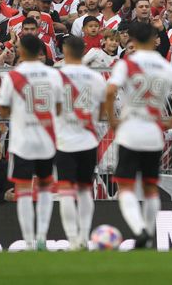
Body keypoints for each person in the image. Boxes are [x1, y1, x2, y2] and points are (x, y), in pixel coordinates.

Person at [105, 22, 172, 248]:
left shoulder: (127, 64)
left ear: (132, 40)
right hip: (153, 132)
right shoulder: (163, 65)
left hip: (130, 131)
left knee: (126, 186)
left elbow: (110, 92)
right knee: (150, 187)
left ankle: (140, 229)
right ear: (153, 40)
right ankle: (149, 236)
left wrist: (112, 119)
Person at [0, 34, 64, 251]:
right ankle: (42, 236)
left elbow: (3, 111)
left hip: (23, 141)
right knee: (45, 189)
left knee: (23, 190)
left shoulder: (13, 76)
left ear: (23, 51)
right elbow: (61, 108)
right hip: (46, 140)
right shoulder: (53, 76)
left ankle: (28, 241)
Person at [55, 36, 107, 250]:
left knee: (66, 191)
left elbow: (52, 109)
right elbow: (103, 110)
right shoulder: (96, 78)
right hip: (88, 140)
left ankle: (72, 239)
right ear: (83, 50)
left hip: (65, 141)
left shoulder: (56, 76)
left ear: (66, 51)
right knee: (86, 190)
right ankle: (84, 237)